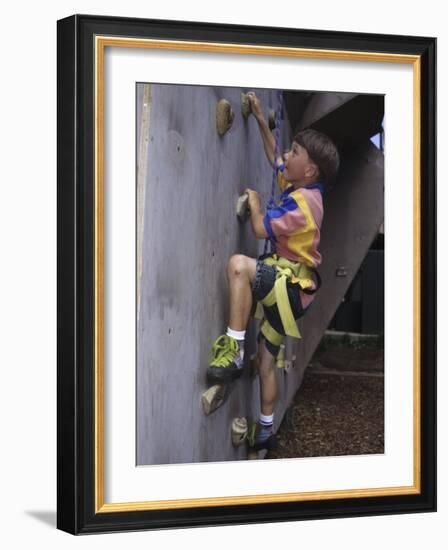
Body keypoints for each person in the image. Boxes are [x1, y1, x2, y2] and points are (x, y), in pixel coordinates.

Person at [207, 91, 339, 451]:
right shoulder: (305, 187)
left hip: (290, 286)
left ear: (310, 169)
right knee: (266, 364)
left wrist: (253, 202)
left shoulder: (303, 205)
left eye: (295, 152)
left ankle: (232, 351)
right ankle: (265, 430)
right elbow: (273, 159)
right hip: (296, 291)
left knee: (239, 266)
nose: (287, 155)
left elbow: (261, 230)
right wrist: (263, 121)